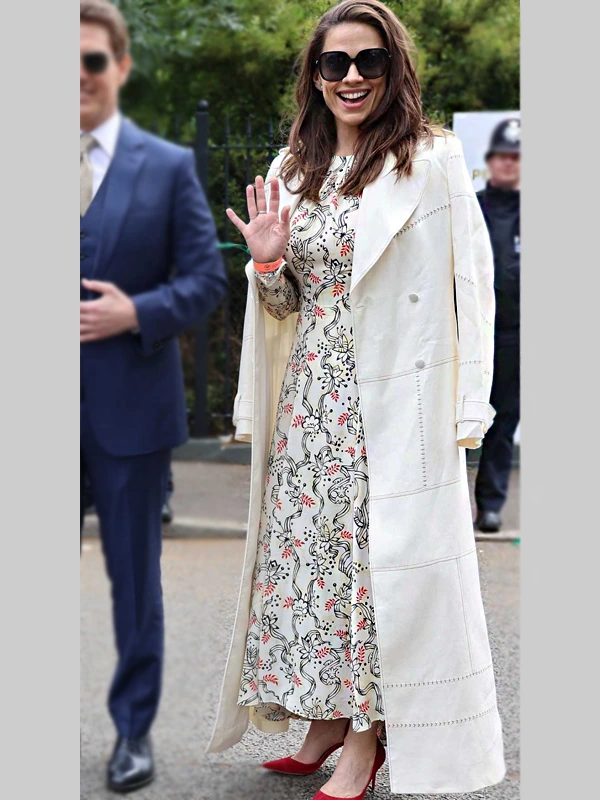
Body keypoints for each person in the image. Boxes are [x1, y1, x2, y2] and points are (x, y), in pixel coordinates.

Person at [206, 1, 505, 797]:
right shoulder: (291, 167)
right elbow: (282, 306)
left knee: (377, 574)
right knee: (309, 568)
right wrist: (268, 266)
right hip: (311, 404)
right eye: (334, 63)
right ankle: (322, 722)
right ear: (313, 73)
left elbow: (472, 288)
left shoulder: (431, 158)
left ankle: (368, 742)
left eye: (368, 62)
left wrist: (468, 410)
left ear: (393, 69)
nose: (350, 78)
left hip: (394, 402)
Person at [80, 0, 226, 792]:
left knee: (134, 581)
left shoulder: (165, 166)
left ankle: (133, 733)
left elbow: (207, 281)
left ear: (121, 68)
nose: (76, 76)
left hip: (128, 408)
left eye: (93, 60)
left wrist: (138, 312)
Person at [474, 118, 520, 533]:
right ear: (490, 161)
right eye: (503, 156)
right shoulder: (472, 206)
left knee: (504, 420)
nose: (509, 164)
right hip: (471, 330)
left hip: (516, 335)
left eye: (517, 158)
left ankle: (490, 504)